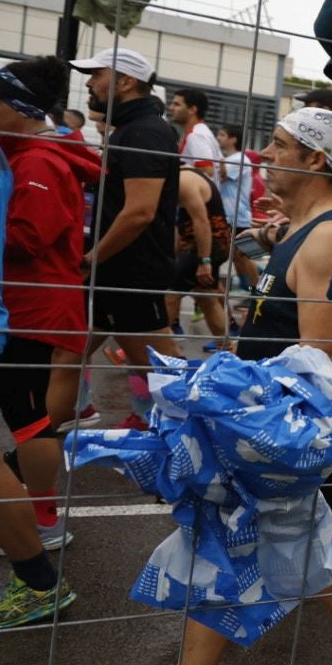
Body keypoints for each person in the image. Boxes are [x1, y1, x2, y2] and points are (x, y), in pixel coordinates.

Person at [75, 106, 332, 665]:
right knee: (231, 555)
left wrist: (251, 426)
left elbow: (321, 360)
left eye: (279, 143)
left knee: (323, 569)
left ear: (316, 159)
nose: (265, 154)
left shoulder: (328, 236)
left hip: (294, 439)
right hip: (265, 435)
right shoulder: (305, 231)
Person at [0, 55, 94, 627]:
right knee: (33, 415)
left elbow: (32, 233)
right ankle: (33, 524)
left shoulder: (38, 159)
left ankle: (41, 522)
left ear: (21, 108)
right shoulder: (34, 154)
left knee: (31, 419)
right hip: (31, 305)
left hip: (35, 307)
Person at [71, 48, 182, 428]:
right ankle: (37, 435)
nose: (89, 82)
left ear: (125, 81)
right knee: (63, 356)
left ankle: (199, 454)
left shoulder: (146, 131)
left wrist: (91, 258)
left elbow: (139, 212)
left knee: (170, 380)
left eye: (96, 74)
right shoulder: (132, 130)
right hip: (114, 271)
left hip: (131, 274)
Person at [170, 166, 234, 344]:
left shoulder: (183, 181)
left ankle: (146, 347)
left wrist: (204, 260)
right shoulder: (181, 175)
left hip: (207, 245)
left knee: (168, 293)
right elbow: (181, 222)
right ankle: (228, 350)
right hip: (207, 244)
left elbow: (202, 221)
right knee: (206, 298)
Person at [214, 123, 261, 288]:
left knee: (244, 255)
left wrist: (217, 161)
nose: (218, 138)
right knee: (239, 257)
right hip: (230, 216)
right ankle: (251, 289)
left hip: (236, 217)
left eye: (222, 135)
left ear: (233, 139)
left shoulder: (239, 159)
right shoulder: (230, 159)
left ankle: (258, 291)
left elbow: (223, 175)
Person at [167, 87, 221, 174]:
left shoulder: (196, 135)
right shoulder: (203, 132)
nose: (171, 108)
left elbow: (207, 170)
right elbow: (222, 166)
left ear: (192, 110)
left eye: (176, 104)